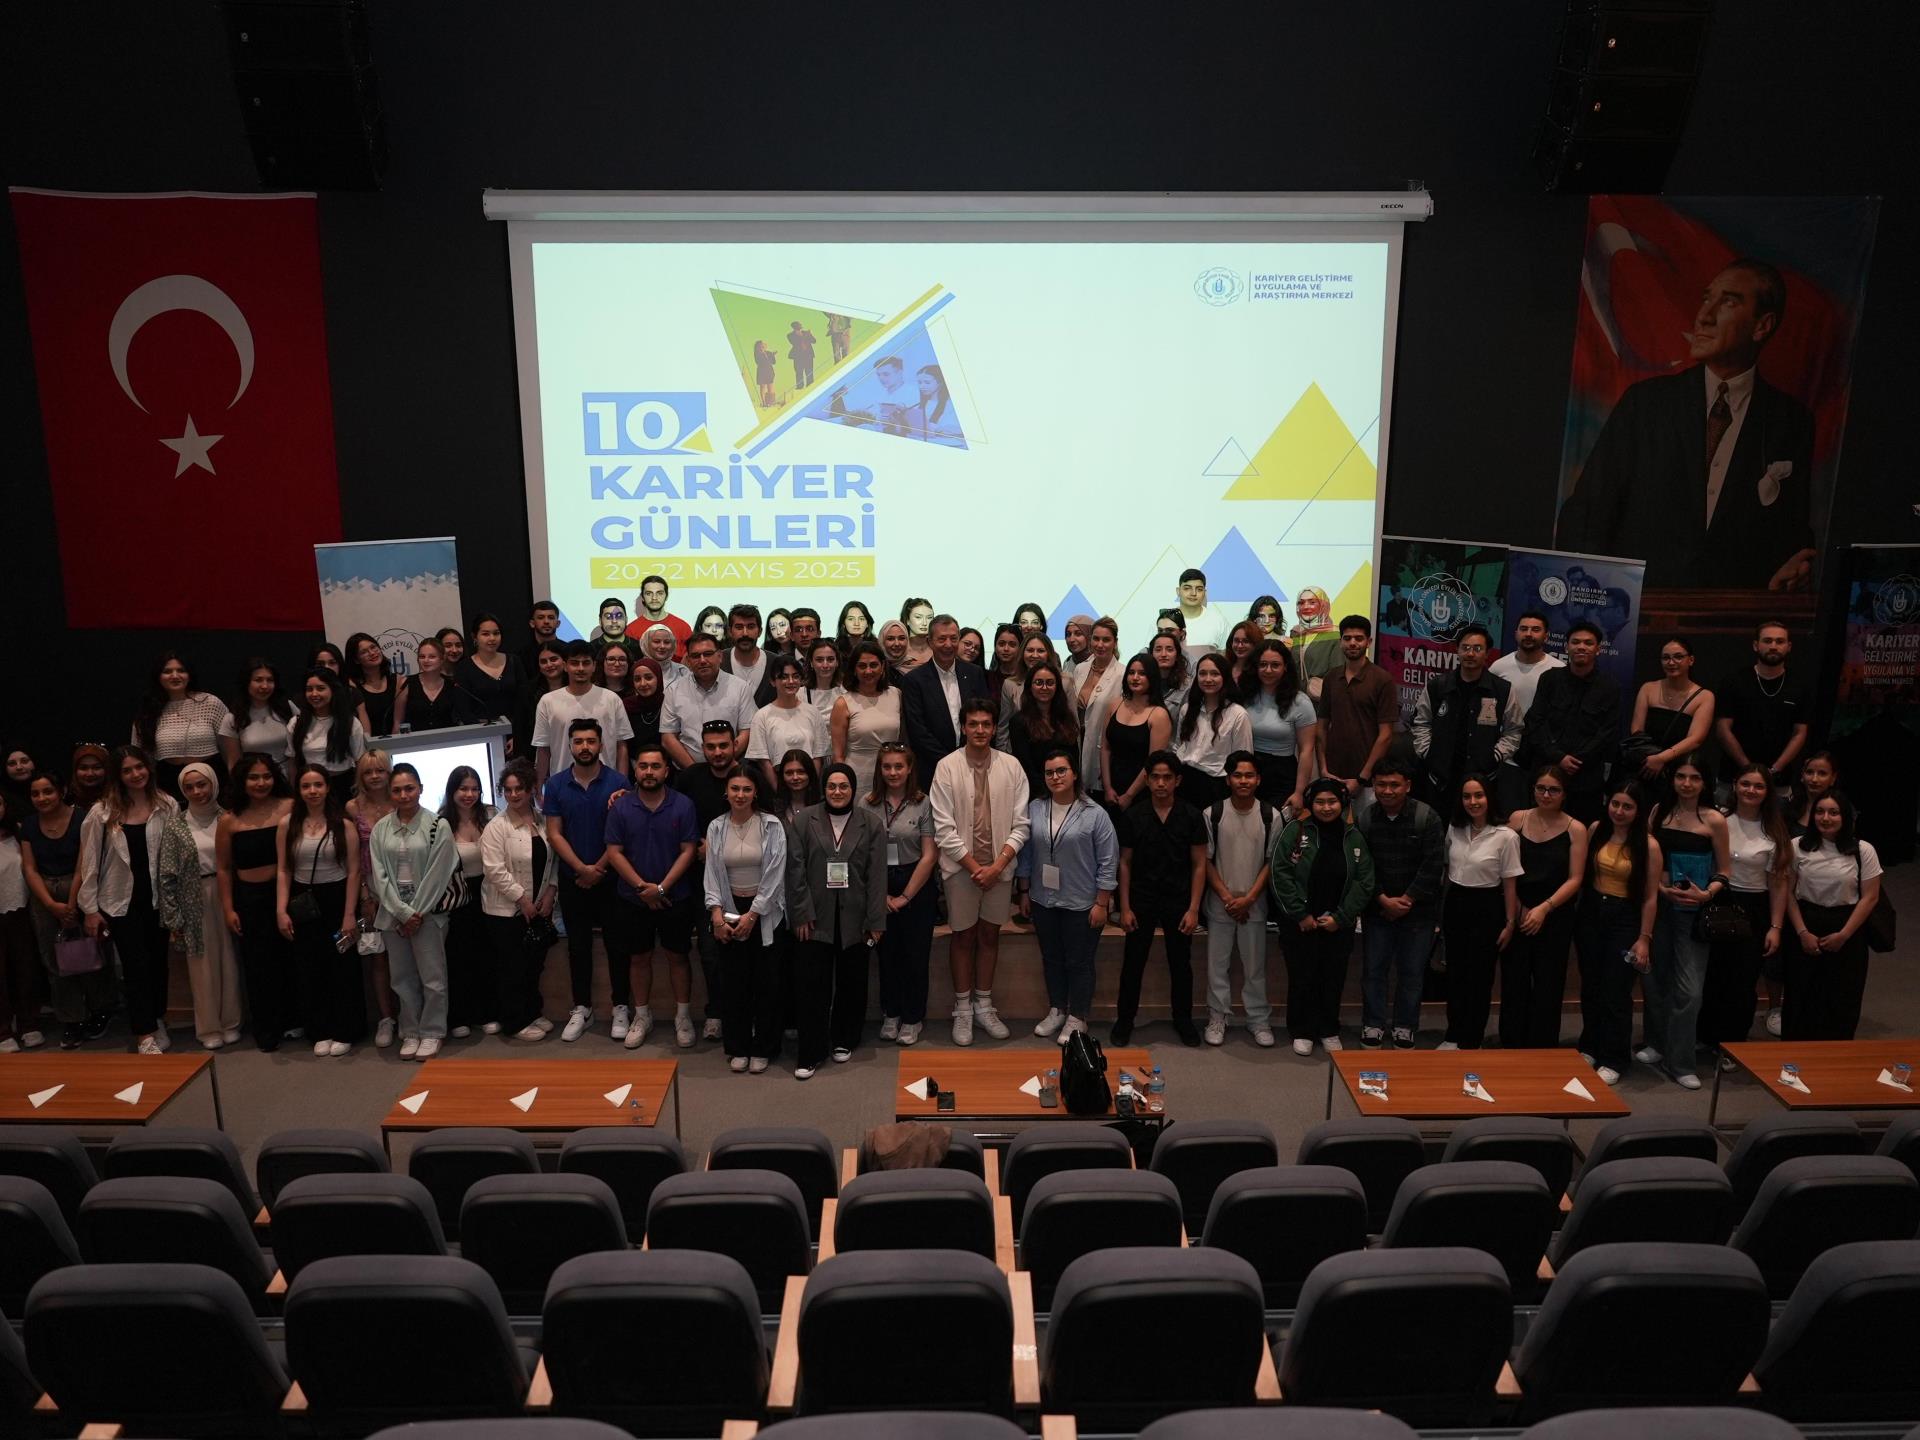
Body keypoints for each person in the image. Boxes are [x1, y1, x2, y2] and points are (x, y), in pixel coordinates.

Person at [1556, 257, 1816, 591]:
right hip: (1638, 608)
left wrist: (1794, 568)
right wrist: (1594, 599)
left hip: (1735, 613)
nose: (1704, 316)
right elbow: (1586, 516)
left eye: (1728, 302)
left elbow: (1793, 532)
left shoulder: (1792, 420)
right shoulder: (1645, 404)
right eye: (1707, 299)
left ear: (1762, 326)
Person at [929, 697, 1030, 1045]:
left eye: (986, 724)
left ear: (994, 727)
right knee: (963, 937)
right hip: (962, 870)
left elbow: (1021, 824)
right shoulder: (946, 767)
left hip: (1000, 869)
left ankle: (984, 1005)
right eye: (973, 724)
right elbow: (943, 829)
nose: (980, 730)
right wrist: (976, 868)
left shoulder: (1012, 766)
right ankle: (962, 1010)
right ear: (963, 727)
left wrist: (998, 866)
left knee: (989, 936)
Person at [787, 760, 888, 1072]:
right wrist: (801, 914)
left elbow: (877, 877)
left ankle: (845, 1038)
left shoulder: (871, 824)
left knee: (851, 983)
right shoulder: (803, 820)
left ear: (853, 789)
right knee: (812, 987)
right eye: (831, 786)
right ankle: (812, 1051)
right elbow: (795, 871)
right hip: (814, 918)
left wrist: (876, 921)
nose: (837, 791)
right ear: (823, 788)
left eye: (844, 786)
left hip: (855, 918)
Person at [76, 746, 176, 1054]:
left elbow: (175, 854)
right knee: (136, 966)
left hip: (158, 899)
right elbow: (89, 863)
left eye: (139, 767)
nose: (135, 774)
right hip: (120, 901)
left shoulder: (167, 804)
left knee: (158, 964)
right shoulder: (102, 812)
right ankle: (144, 1034)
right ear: (117, 776)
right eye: (127, 770)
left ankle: (156, 1018)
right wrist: (90, 909)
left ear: (149, 768)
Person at [603, 742, 702, 1050]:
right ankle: (642, 1016)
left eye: (655, 766)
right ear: (636, 771)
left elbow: (689, 850)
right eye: (643, 766)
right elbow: (614, 853)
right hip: (633, 899)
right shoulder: (621, 806)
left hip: (675, 897)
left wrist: (661, 889)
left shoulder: (683, 805)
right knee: (638, 958)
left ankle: (682, 1016)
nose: (649, 772)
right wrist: (642, 888)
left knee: (678, 957)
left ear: (666, 771)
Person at [1017, 745, 1118, 1046]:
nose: (1055, 777)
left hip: (1082, 902)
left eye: (1061, 770)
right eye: (1049, 772)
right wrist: (1024, 891)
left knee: (1079, 962)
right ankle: (1058, 1009)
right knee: (1052, 958)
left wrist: (1102, 902)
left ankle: (1078, 1016)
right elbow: (1027, 854)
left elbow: (1108, 861)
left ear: (1074, 774)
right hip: (1043, 899)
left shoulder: (1095, 814)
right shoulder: (1035, 809)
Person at [1639, 755, 1729, 1088]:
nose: (1687, 784)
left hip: (1694, 912)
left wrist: (1706, 894)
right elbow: (1646, 859)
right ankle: (1656, 1042)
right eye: (1681, 776)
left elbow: (1725, 870)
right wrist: (1660, 889)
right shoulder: (1657, 812)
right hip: (1659, 906)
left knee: (1689, 990)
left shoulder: (1714, 819)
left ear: (1705, 783)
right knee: (1655, 980)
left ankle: (1680, 1062)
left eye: (1694, 777)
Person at [1270, 777, 1375, 1055]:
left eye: (1332, 802)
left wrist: (1341, 917)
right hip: (1301, 923)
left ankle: (1329, 1029)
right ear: (1310, 804)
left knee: (1333, 977)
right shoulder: (1295, 830)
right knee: (1302, 976)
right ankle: (1302, 1030)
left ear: (1342, 803)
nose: (1326, 807)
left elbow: (1364, 881)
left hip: (1337, 924)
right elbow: (1280, 873)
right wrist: (1300, 914)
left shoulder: (1353, 836)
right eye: (1319, 802)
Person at [1113, 749, 1206, 1046]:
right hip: (1141, 898)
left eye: (1167, 777)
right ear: (1147, 779)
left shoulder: (1192, 815)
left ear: (1178, 780)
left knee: (1181, 963)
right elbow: (1124, 863)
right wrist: (1125, 907)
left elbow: (1199, 864)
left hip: (1179, 899)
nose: (1161, 783)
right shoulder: (1133, 816)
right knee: (1133, 962)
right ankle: (1125, 1020)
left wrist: (1194, 909)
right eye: (1155, 777)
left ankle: (1183, 1020)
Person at [542, 718, 627, 1043]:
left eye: (591, 741)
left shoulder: (619, 782)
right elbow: (554, 833)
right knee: (577, 947)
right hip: (572, 878)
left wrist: (599, 868)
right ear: (570, 746)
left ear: (601, 744)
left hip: (611, 877)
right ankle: (582, 1008)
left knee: (617, 944)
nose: (585, 747)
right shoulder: (556, 784)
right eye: (578, 742)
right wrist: (581, 868)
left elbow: (622, 834)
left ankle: (621, 1007)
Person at [1700, 762, 1793, 1059]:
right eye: (1745, 784)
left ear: (1768, 792)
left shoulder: (1774, 830)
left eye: (1758, 786)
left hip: (1754, 909)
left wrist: (1776, 927)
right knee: (1712, 975)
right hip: (1718, 900)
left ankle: (1732, 1045)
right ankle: (1704, 1038)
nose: (1751, 790)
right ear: (1735, 786)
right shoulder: (1718, 819)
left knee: (1742, 980)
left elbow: (1778, 883)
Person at [367, 762, 458, 1060]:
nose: (404, 795)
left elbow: (439, 875)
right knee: (402, 977)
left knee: (433, 977)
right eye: (397, 790)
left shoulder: (437, 826)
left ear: (421, 789)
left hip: (428, 916)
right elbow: (379, 877)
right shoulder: (381, 829)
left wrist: (415, 913)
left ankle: (432, 1031)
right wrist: (401, 912)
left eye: (409, 788)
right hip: (393, 917)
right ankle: (410, 1030)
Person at [703, 764, 791, 1072]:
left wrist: (753, 914)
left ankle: (765, 1046)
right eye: (735, 789)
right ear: (726, 792)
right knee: (734, 983)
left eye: (746, 789)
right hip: (729, 909)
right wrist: (716, 915)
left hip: (765, 912)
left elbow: (776, 873)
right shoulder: (716, 827)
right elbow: (712, 873)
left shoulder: (771, 825)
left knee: (767, 983)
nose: (740, 795)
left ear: (755, 793)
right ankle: (738, 1046)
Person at [1573, 780, 1661, 1084]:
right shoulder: (1596, 829)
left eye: (1627, 806)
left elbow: (1650, 897)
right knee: (1591, 986)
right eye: (1615, 804)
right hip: (1592, 913)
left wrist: (1644, 938)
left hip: (1626, 918)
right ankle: (1590, 1046)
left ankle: (1614, 1057)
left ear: (1638, 810)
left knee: (1616, 990)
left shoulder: (1648, 845)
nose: (1619, 811)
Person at [1356, 759, 1445, 1050]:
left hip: (1418, 912)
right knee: (1374, 971)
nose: (1387, 790)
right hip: (1377, 910)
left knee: (1412, 973)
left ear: (1407, 785)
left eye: (1394, 784)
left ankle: (1405, 1026)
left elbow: (1433, 865)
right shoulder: (1366, 818)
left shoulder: (1426, 817)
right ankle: (1373, 1023)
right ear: (1373, 786)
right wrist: (1382, 898)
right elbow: (1362, 866)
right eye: (1381, 784)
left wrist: (1407, 899)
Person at [275, 763, 362, 1057]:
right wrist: (281, 910)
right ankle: (320, 1030)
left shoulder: (343, 825)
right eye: (306, 786)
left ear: (327, 788)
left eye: (318, 785)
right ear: (298, 790)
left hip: (338, 899)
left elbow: (354, 871)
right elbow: (284, 869)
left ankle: (346, 1029)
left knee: (342, 967)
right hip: (303, 902)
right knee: (310, 968)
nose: (312, 791)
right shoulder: (288, 824)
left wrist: (349, 914)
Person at [20, 770, 111, 1048]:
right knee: (55, 961)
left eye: (47, 791)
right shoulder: (29, 825)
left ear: (61, 791)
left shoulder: (81, 818)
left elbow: (85, 863)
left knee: (90, 954)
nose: (42, 798)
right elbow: (30, 868)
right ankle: (71, 1019)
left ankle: (100, 1010)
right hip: (44, 894)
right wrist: (51, 905)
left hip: (80, 889)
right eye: (35, 794)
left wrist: (72, 906)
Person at [155, 762, 241, 1051]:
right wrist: (173, 917)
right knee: (202, 966)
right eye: (189, 787)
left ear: (213, 783)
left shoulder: (229, 818)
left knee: (230, 959)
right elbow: (166, 875)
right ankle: (209, 1028)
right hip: (194, 896)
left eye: (202, 784)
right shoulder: (176, 826)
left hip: (228, 892)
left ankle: (231, 1022)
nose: (197, 791)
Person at [1502, 764, 1589, 1049]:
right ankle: (1511, 1044)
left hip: (1555, 915)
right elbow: (1504, 868)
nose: (1546, 795)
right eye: (1541, 788)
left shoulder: (1576, 828)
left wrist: (1544, 909)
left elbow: (1576, 879)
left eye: (1554, 790)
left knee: (1548, 985)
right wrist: (1518, 908)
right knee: (1514, 982)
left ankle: (1542, 1049)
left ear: (1564, 794)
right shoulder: (1518, 818)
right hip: (1517, 911)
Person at [1784, 791, 1881, 1041]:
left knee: (1842, 1000)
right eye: (1820, 811)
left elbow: (1870, 897)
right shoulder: (1796, 846)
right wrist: (1802, 932)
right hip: (1806, 923)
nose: (1825, 818)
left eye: (1833, 812)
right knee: (1800, 997)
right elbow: (1787, 893)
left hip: (1847, 928)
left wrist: (1844, 935)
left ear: (1845, 817)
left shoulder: (1863, 850)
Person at [1439, 774, 1523, 1052]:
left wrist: (1510, 923)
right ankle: (1453, 1034)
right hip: (1456, 904)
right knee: (1455, 974)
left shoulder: (1506, 836)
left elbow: (1510, 882)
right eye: (1467, 796)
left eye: (1479, 795)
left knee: (1480, 977)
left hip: (1487, 907)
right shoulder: (1454, 828)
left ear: (1489, 798)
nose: (1473, 802)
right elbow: (1448, 873)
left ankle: (1471, 1039)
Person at [216, 753, 295, 1051]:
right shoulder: (228, 820)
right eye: (253, 777)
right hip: (248, 899)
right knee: (258, 966)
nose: (261, 783)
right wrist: (228, 909)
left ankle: (294, 1020)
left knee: (291, 959)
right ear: (242, 781)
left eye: (266, 776)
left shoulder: (289, 807)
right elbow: (224, 868)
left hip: (287, 894)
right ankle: (267, 1027)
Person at [1200, 752, 1277, 1048]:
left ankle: (1258, 1019)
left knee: (1254, 967)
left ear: (1258, 779)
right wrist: (1227, 897)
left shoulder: (1271, 815)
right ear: (1228, 779)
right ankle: (1217, 1016)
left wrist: (1249, 898)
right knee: (1216, 965)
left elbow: (1271, 862)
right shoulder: (1213, 813)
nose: (1243, 781)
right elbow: (1205, 861)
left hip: (1254, 905)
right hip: (1220, 903)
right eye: (1237, 775)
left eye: (1249, 775)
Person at [480, 759, 559, 1042]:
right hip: (504, 911)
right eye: (508, 789)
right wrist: (522, 900)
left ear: (531, 789)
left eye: (519, 789)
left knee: (533, 965)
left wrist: (550, 892)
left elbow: (554, 860)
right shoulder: (496, 827)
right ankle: (514, 1022)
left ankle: (532, 1012)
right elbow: (494, 869)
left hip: (538, 906)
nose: (513, 795)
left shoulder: (543, 820)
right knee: (511, 968)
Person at [868, 743, 937, 1046]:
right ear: (879, 770)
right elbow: (862, 854)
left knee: (915, 955)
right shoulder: (867, 803)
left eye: (899, 766)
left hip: (915, 884)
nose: (893, 772)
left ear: (909, 769)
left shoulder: (923, 803)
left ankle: (912, 1017)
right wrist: (880, 894)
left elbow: (929, 855)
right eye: (887, 766)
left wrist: (905, 897)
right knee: (887, 955)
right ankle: (891, 1012)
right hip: (879, 883)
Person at [1520, 620, 1620, 824]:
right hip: (1546, 772)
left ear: (1598, 649)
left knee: (1581, 832)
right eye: (1575, 642)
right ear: (1566, 647)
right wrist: (1559, 757)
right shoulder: (1549, 679)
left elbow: (1607, 733)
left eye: (1588, 643)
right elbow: (1535, 722)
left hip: (1585, 777)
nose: (1581, 647)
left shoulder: (1610, 687)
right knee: (1538, 828)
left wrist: (1575, 760)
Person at [1410, 624, 1519, 806]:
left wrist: (1496, 755)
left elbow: (1514, 730)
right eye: (1465, 648)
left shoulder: (1502, 690)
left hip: (1483, 779)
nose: (1470, 654)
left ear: (1487, 653)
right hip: (1440, 779)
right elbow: (1420, 722)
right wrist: (1428, 752)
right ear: (1457, 650)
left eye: (1477, 649)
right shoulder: (1437, 686)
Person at [1714, 620, 1811, 797]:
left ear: (1789, 647)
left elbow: (1800, 733)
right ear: (1755, 645)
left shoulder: (1799, 686)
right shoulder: (1734, 681)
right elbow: (1723, 729)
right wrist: (1749, 770)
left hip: (1778, 780)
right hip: (1733, 778)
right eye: (1767, 641)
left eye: (1780, 641)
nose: (1773, 646)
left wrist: (1774, 770)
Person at [1316, 616, 1398, 819]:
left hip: (1368, 781)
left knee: (1366, 832)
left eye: (1359, 638)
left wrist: (1362, 778)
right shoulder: (1331, 678)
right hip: (1333, 775)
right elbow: (1322, 726)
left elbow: (1386, 735)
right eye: (1347, 638)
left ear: (1368, 642)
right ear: (1340, 642)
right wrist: (1323, 769)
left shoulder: (1383, 679)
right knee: (1334, 831)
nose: (1352, 643)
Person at [345, 749, 400, 1047]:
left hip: (403, 887)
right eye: (368, 771)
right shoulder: (353, 807)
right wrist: (365, 894)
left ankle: (411, 1015)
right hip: (371, 890)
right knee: (379, 957)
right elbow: (353, 856)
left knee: (406, 956)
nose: (375, 776)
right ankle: (386, 1018)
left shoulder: (401, 799)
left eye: (380, 770)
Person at [133, 652, 238, 799]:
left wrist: (235, 784)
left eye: (181, 670)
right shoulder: (148, 712)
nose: (175, 676)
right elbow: (139, 757)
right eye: (167, 671)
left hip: (212, 778)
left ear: (189, 675)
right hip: (167, 784)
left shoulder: (211, 703)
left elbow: (231, 751)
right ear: (158, 676)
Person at [1489, 611, 1564, 814]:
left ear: (1546, 636)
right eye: (1524, 629)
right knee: (1508, 815)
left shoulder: (1559, 670)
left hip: (1544, 759)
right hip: (1507, 758)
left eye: (1535, 629)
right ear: (1516, 633)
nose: (1529, 634)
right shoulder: (1498, 667)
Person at [438, 766, 492, 1038]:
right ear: (452, 791)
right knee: (459, 957)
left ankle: (487, 1013)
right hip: (457, 895)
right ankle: (459, 1016)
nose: (469, 794)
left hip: (489, 891)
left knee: (487, 954)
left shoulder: (490, 816)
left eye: (474, 789)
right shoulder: (440, 823)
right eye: (463, 789)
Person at [534, 639, 634, 782]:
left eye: (586, 663)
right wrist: (538, 786)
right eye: (574, 663)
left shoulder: (612, 699)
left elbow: (621, 746)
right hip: (562, 784)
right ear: (565, 666)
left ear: (594, 666)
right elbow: (543, 749)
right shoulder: (547, 701)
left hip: (606, 784)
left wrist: (622, 783)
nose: (580, 668)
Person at [660, 634, 755, 772]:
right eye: (696, 656)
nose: (702, 660)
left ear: (720, 656)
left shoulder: (740, 688)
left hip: (731, 772)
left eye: (708, 654)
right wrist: (696, 772)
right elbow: (668, 738)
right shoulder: (674, 690)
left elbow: (746, 732)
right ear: (688, 660)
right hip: (687, 773)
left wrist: (723, 763)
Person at [1630, 639, 1716, 790]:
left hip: (1678, 769)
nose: (1671, 662)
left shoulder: (1704, 696)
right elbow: (1637, 730)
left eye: (1678, 657)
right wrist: (1650, 758)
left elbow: (1695, 739)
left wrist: (1662, 758)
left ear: (1691, 660)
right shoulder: (1648, 688)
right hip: (1645, 764)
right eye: (1666, 658)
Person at [1243, 639, 1318, 812]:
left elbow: (1307, 751)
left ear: (1285, 667)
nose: (1268, 670)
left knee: (1276, 824)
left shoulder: (1300, 702)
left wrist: (1299, 792)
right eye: (1263, 664)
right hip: (1249, 770)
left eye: (1275, 665)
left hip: (1282, 774)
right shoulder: (1246, 696)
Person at [1173, 652, 1253, 809]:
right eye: (1202, 673)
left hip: (1217, 785)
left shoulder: (1238, 714)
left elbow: (1243, 759)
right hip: (1185, 779)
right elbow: (1179, 745)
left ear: (1225, 677)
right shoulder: (1187, 709)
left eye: (1215, 674)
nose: (1208, 679)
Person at [1101, 654, 1174, 818]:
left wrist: (1129, 795)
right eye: (1131, 672)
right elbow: (1105, 748)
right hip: (1112, 786)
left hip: (1141, 790)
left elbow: (1152, 762)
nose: (1135, 678)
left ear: (1152, 677)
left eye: (1142, 673)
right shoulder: (1114, 705)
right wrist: (1107, 787)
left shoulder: (1159, 715)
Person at [833, 639, 905, 797]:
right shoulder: (843, 703)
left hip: (892, 775)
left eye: (873, 665)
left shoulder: (896, 694)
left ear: (882, 666)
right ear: (854, 669)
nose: (868, 671)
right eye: (862, 666)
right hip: (858, 777)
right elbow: (838, 756)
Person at [747, 656, 829, 794]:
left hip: (810, 787)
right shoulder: (762, 716)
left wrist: (811, 788)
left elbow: (818, 755)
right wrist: (780, 791)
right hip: (777, 786)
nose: (791, 681)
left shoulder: (813, 712)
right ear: (772, 681)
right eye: (784, 677)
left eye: (795, 676)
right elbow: (763, 761)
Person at [288, 668, 367, 802]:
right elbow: (292, 762)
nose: (314, 694)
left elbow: (360, 761)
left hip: (342, 787)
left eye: (320, 688)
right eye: (309, 689)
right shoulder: (296, 723)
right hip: (310, 788)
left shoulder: (350, 722)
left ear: (333, 690)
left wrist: (360, 793)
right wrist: (294, 794)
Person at [1007, 662, 1080, 798]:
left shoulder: (1066, 718)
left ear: (1057, 687)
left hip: (1067, 792)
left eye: (1050, 683)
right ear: (1030, 687)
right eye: (1039, 683)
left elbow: (1074, 760)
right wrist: (1049, 793)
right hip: (1036, 794)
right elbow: (1025, 765)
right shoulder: (1018, 722)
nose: (1044, 687)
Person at [0, 793, 37, 1052]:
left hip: (20, 909)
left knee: (25, 968)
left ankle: (28, 1023)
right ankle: (3, 1030)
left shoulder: (19, 832)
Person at [456, 613, 528, 743]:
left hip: (515, 734)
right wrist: (485, 735)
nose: (492, 638)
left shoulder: (514, 661)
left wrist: (516, 735)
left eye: (496, 633)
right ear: (474, 637)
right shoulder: (464, 667)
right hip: (481, 736)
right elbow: (464, 710)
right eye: (485, 634)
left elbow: (523, 701)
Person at [395, 637, 481, 733]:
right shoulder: (407, 683)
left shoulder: (452, 685)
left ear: (442, 659)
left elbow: (464, 716)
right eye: (422, 657)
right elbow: (398, 722)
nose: (426, 660)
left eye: (432, 657)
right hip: (415, 740)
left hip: (448, 739)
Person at [226, 658, 294, 767]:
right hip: (255, 776)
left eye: (270, 680)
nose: (265, 686)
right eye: (258, 680)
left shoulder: (288, 707)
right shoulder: (233, 718)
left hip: (288, 773)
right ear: (246, 682)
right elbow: (234, 764)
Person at [720, 603, 774, 704]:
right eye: (739, 627)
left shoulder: (776, 663)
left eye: (751, 627)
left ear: (760, 631)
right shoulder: (719, 661)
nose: (745, 633)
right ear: (730, 631)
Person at [346, 632, 396, 739]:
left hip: (396, 742)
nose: (372, 653)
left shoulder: (397, 680)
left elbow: (398, 722)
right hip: (365, 744)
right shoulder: (351, 686)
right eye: (364, 652)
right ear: (356, 660)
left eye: (373, 647)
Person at [1175, 566, 1230, 653]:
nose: (1193, 593)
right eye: (1187, 588)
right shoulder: (1165, 621)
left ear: (1205, 592)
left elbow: (1224, 655)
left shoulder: (1218, 621)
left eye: (1199, 589)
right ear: (1178, 591)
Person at [636, 575, 692, 657]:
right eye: (649, 593)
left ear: (666, 596)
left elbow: (690, 660)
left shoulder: (683, 628)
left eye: (659, 593)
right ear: (642, 597)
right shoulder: (631, 630)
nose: (654, 598)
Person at [625, 656, 666, 756]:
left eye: (648, 678)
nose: (643, 683)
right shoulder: (626, 706)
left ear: (658, 678)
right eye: (637, 679)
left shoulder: (669, 704)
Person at [1149, 630, 1192, 727]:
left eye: (1169, 649)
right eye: (1158, 650)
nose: (1163, 654)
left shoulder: (1187, 685)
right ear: (1151, 654)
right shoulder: (1144, 682)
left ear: (1177, 655)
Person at [804, 638, 845, 724]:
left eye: (830, 659)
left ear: (837, 662)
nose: (825, 665)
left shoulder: (846, 692)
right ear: (811, 663)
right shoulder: (800, 695)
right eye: (819, 660)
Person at [773, 750, 822, 819]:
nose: (795, 777)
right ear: (782, 776)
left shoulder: (823, 806)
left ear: (810, 774)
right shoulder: (773, 808)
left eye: (801, 772)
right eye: (789, 773)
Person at [638, 623, 688, 691]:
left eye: (667, 642)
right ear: (646, 644)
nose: (662, 646)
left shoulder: (682, 671)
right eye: (656, 642)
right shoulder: (636, 670)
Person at [520, 599, 562, 675]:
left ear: (558, 623)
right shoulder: (521, 656)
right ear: (532, 623)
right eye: (541, 617)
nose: (546, 621)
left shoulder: (567, 650)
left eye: (551, 617)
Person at [1223, 621, 1262, 689]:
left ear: (1256, 644)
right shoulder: (1224, 668)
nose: (1240, 646)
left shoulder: (1261, 672)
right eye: (1236, 640)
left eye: (1246, 641)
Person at [899, 599, 936, 672]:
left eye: (929, 618)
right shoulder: (897, 650)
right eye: (918, 617)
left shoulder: (938, 649)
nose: (924, 623)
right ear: (907, 620)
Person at [787, 320, 816, 388]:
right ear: (794, 326)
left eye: (800, 324)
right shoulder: (790, 335)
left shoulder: (806, 333)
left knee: (809, 371)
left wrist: (810, 334)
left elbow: (814, 341)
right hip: (798, 356)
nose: (800, 325)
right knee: (799, 372)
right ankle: (800, 387)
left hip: (808, 355)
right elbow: (795, 342)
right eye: (798, 324)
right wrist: (806, 335)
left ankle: (810, 385)